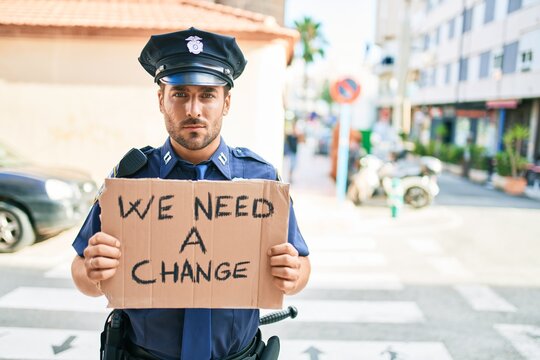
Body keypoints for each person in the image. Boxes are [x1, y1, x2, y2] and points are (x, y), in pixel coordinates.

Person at [71, 27, 311, 360]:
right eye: (180, 94)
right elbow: (81, 272)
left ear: (226, 102)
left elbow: (301, 266)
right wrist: (94, 271)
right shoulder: (129, 181)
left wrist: (294, 274)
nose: (193, 109)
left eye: (208, 95)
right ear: (161, 100)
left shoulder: (262, 181)